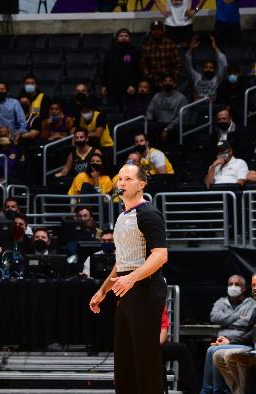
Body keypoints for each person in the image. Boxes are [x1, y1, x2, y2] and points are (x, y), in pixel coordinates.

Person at [88, 164, 168, 394]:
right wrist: (103, 290)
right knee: (124, 358)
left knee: (145, 357)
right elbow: (121, 260)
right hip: (127, 287)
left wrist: (131, 279)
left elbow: (160, 256)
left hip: (145, 288)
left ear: (141, 184)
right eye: (119, 178)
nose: (121, 183)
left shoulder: (149, 213)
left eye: (128, 179)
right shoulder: (123, 217)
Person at [102, 29, 143, 107]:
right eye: (121, 36)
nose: (123, 37)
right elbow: (105, 69)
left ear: (129, 38)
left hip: (128, 89)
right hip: (112, 89)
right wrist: (104, 85)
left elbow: (138, 70)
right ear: (117, 38)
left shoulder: (135, 52)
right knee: (113, 112)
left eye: (126, 36)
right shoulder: (110, 52)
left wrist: (133, 85)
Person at [210, 275, 256, 341]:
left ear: (244, 288)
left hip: (240, 340)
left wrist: (224, 323)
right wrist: (237, 316)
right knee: (211, 350)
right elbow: (214, 318)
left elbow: (247, 323)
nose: (233, 287)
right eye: (230, 284)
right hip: (220, 339)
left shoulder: (251, 303)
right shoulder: (220, 302)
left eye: (237, 284)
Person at [184, 34, 227, 102]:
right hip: (197, 105)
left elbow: (223, 64)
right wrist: (191, 48)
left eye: (211, 68)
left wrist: (215, 47)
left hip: (211, 105)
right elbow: (187, 64)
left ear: (214, 70)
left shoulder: (217, 79)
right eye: (206, 67)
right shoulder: (197, 77)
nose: (209, 69)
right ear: (203, 68)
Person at [146, 74, 188, 143]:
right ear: (162, 84)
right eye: (165, 81)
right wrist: (149, 121)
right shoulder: (157, 96)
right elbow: (149, 111)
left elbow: (181, 117)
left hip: (174, 126)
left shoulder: (181, 98)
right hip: (160, 124)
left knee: (177, 129)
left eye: (170, 81)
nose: (167, 83)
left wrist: (167, 129)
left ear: (174, 84)